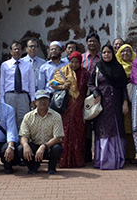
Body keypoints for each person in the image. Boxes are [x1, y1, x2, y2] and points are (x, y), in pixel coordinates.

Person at [89, 44, 130, 170]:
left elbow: (123, 87)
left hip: (116, 104)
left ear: (113, 54)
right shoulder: (98, 67)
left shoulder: (118, 68)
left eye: (109, 52)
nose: (106, 54)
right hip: (101, 104)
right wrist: (96, 92)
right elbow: (90, 83)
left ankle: (116, 159)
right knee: (103, 131)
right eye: (104, 52)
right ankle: (102, 159)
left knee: (116, 129)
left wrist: (124, 102)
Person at [50, 51, 89, 168]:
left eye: (77, 62)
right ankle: (64, 159)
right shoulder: (63, 71)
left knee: (79, 133)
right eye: (72, 62)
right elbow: (52, 83)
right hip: (66, 107)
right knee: (66, 132)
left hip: (79, 107)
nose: (75, 64)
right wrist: (63, 86)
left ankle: (77, 160)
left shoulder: (85, 73)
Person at [18, 90, 65, 174]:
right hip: (34, 146)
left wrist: (44, 146)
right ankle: (33, 166)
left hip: (49, 147)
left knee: (57, 148)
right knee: (21, 148)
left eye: (45, 99)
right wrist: (25, 145)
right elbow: (23, 135)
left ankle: (52, 167)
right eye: (40, 100)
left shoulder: (56, 116)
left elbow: (58, 138)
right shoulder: (28, 117)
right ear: (35, 102)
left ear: (49, 102)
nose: (43, 102)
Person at [1, 41, 36, 127]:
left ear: (22, 51)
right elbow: (1, 83)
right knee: (9, 119)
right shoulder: (5, 65)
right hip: (9, 96)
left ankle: (22, 139)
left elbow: (31, 84)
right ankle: (11, 139)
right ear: (11, 51)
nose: (17, 51)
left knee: (24, 120)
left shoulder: (28, 65)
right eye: (14, 49)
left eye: (19, 49)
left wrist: (32, 99)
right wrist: (2, 100)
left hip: (23, 96)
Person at [115, 43, 137, 164]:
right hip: (119, 100)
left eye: (128, 51)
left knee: (132, 127)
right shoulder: (116, 67)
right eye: (123, 51)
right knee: (121, 127)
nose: (125, 54)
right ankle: (120, 153)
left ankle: (131, 155)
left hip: (135, 100)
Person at [82, 32, 101, 163]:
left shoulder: (103, 57)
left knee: (100, 123)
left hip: (100, 93)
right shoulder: (82, 58)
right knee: (86, 125)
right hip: (84, 93)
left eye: (94, 41)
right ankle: (87, 155)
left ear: (98, 43)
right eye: (89, 41)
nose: (92, 43)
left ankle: (100, 154)